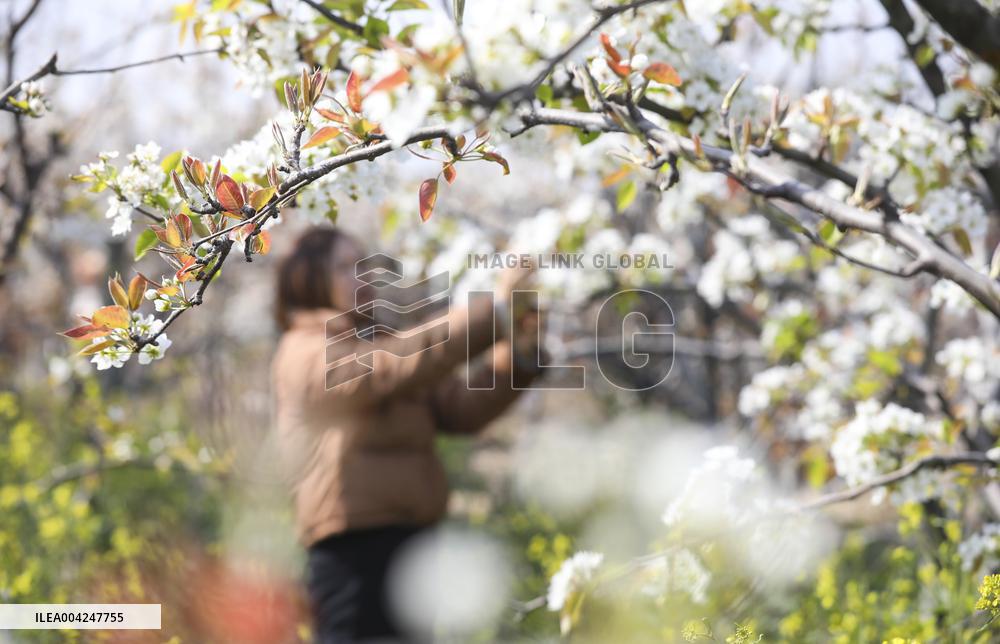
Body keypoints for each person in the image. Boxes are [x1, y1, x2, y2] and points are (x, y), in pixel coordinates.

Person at [271, 226, 542, 643]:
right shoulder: (303, 349)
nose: (362, 276)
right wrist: (494, 312)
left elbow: (461, 408)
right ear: (309, 277)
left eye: (364, 264)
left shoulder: (382, 344)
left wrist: (519, 351)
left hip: (415, 543)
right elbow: (388, 368)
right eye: (345, 266)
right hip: (353, 550)